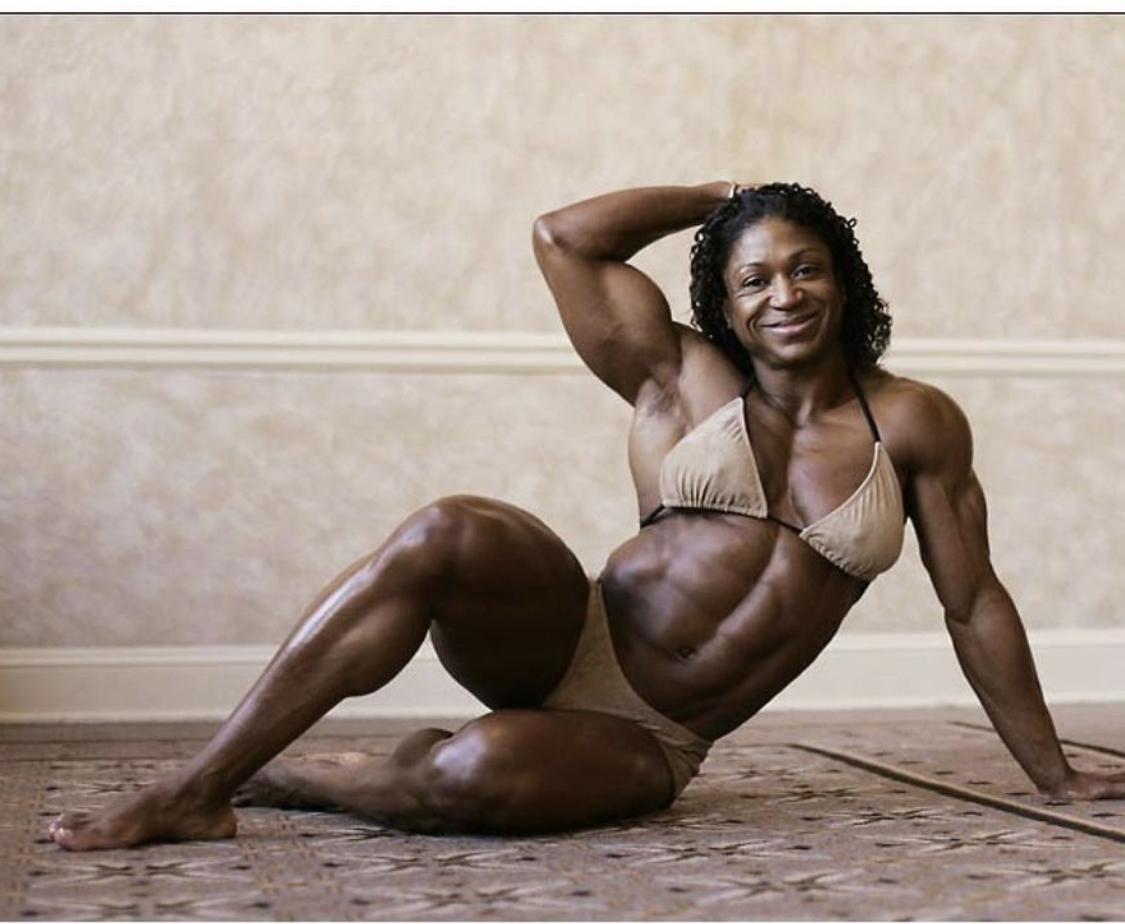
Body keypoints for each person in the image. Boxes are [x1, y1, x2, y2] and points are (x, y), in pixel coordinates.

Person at [49, 181, 1125, 851]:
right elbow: (563, 238)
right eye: (754, 279)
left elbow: (973, 602)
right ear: (724, 301)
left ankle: (331, 778)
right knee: (445, 528)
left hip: (651, 737)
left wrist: (1053, 773)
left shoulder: (916, 422)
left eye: (806, 269)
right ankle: (195, 788)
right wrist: (725, 197)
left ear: (845, 283)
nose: (784, 295)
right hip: (572, 630)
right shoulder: (681, 375)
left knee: (469, 776)